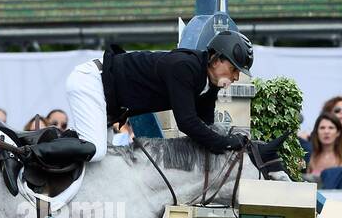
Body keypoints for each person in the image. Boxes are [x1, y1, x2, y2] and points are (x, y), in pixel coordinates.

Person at [65, 30, 257, 163]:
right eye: (233, 68)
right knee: (97, 152)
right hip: (91, 82)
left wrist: (228, 142)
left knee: (106, 162)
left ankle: (61, 141)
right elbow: (187, 122)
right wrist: (225, 143)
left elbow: (205, 123)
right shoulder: (185, 67)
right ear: (216, 59)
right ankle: (39, 150)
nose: (235, 77)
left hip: (106, 96)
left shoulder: (208, 82)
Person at [305, 113, 342, 178]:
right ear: (317, 132)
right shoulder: (312, 154)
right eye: (322, 128)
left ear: (338, 132)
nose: (326, 131)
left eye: (331, 128)